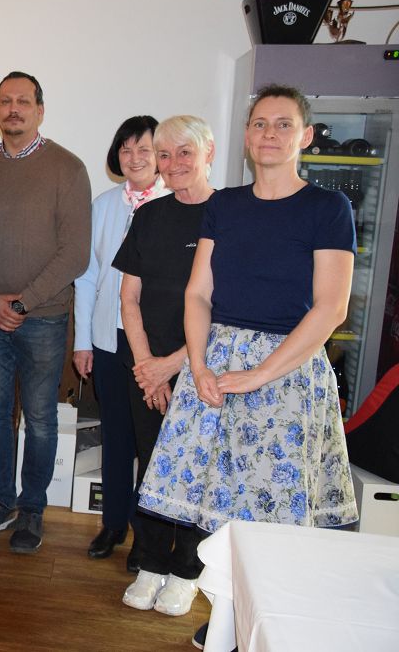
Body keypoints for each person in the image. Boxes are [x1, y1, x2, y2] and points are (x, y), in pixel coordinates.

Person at [135, 87, 358, 643]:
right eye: (259, 123)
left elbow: (331, 308)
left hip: (288, 371)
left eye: (283, 124)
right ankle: (231, 620)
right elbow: (198, 294)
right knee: (219, 511)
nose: (269, 134)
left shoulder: (327, 208)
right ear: (246, 136)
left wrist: (258, 375)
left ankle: (271, 628)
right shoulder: (226, 205)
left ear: (305, 136)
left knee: (274, 514)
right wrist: (199, 366)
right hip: (216, 364)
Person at [0, 71, 91, 554]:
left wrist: (22, 302)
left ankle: (32, 508)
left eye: (23, 101)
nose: (13, 108)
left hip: (45, 317)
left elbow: (75, 254)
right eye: (4, 101)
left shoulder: (68, 168)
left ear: (40, 110)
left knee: (39, 418)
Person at [112, 115, 215, 616]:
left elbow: (226, 309)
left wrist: (174, 365)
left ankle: (187, 571)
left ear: (208, 152)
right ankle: (151, 563)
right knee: (152, 465)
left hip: (203, 369)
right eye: (165, 154)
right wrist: (146, 366)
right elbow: (128, 298)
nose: (173, 164)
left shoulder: (229, 214)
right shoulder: (149, 215)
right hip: (147, 365)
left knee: (195, 470)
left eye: (184, 153)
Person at [73, 115, 162, 570]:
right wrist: (83, 340)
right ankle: (112, 524)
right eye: (126, 149)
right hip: (108, 339)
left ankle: (147, 537)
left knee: (153, 443)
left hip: (155, 346)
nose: (134, 157)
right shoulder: (104, 205)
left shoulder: (174, 202)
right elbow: (88, 278)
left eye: (144, 148)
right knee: (116, 436)